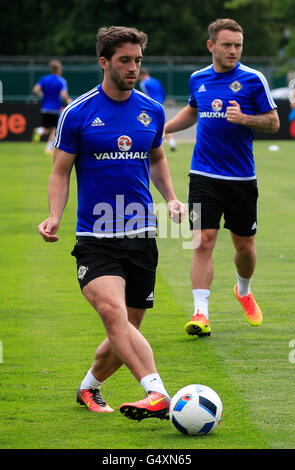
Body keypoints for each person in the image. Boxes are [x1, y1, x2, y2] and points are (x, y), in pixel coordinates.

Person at [38, 26, 185, 420]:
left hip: (142, 235)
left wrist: (170, 197)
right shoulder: (79, 112)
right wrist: (55, 215)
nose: (134, 67)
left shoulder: (151, 109)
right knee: (114, 314)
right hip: (95, 238)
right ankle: (158, 393)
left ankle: (89, 388)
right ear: (104, 62)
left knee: (126, 330)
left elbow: (156, 158)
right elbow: (59, 171)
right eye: (125, 60)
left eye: (138, 59)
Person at [164, 18, 280, 337]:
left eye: (238, 45)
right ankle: (201, 313)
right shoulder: (197, 78)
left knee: (245, 247)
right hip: (203, 174)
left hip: (242, 178)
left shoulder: (253, 80)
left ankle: (243, 290)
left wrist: (245, 118)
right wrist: (164, 129)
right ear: (211, 45)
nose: (233, 51)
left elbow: (273, 123)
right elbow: (193, 110)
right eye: (227, 45)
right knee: (202, 241)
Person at [32, 60, 71, 154]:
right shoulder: (61, 81)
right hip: (55, 109)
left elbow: (35, 89)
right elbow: (63, 94)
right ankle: (48, 148)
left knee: (46, 127)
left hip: (45, 107)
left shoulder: (44, 79)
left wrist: (43, 95)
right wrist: (68, 100)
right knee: (55, 129)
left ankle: (39, 131)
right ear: (59, 69)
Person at [139, 68, 176, 151]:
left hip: (151, 106)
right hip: (160, 105)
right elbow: (162, 92)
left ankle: (155, 146)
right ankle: (172, 143)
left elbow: (147, 96)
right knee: (163, 125)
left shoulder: (144, 83)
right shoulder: (155, 80)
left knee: (151, 126)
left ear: (142, 75)